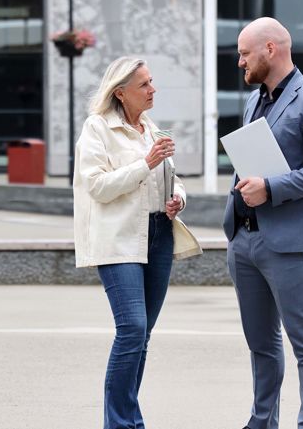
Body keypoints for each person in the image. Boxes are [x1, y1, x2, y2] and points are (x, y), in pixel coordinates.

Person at [223, 18, 303, 429]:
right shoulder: (253, 100)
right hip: (244, 240)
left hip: (290, 243)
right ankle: (262, 422)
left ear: (270, 49)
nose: (240, 61)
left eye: (244, 53)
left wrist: (271, 188)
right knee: (261, 344)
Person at [73, 56, 202, 429]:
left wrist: (178, 199)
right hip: (119, 240)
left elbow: (172, 179)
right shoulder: (97, 128)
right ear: (120, 92)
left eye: (151, 81)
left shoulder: (151, 129)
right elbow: (97, 186)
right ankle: (120, 423)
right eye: (144, 84)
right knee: (131, 328)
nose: (152, 89)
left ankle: (127, 420)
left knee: (141, 335)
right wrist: (146, 163)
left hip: (159, 234)